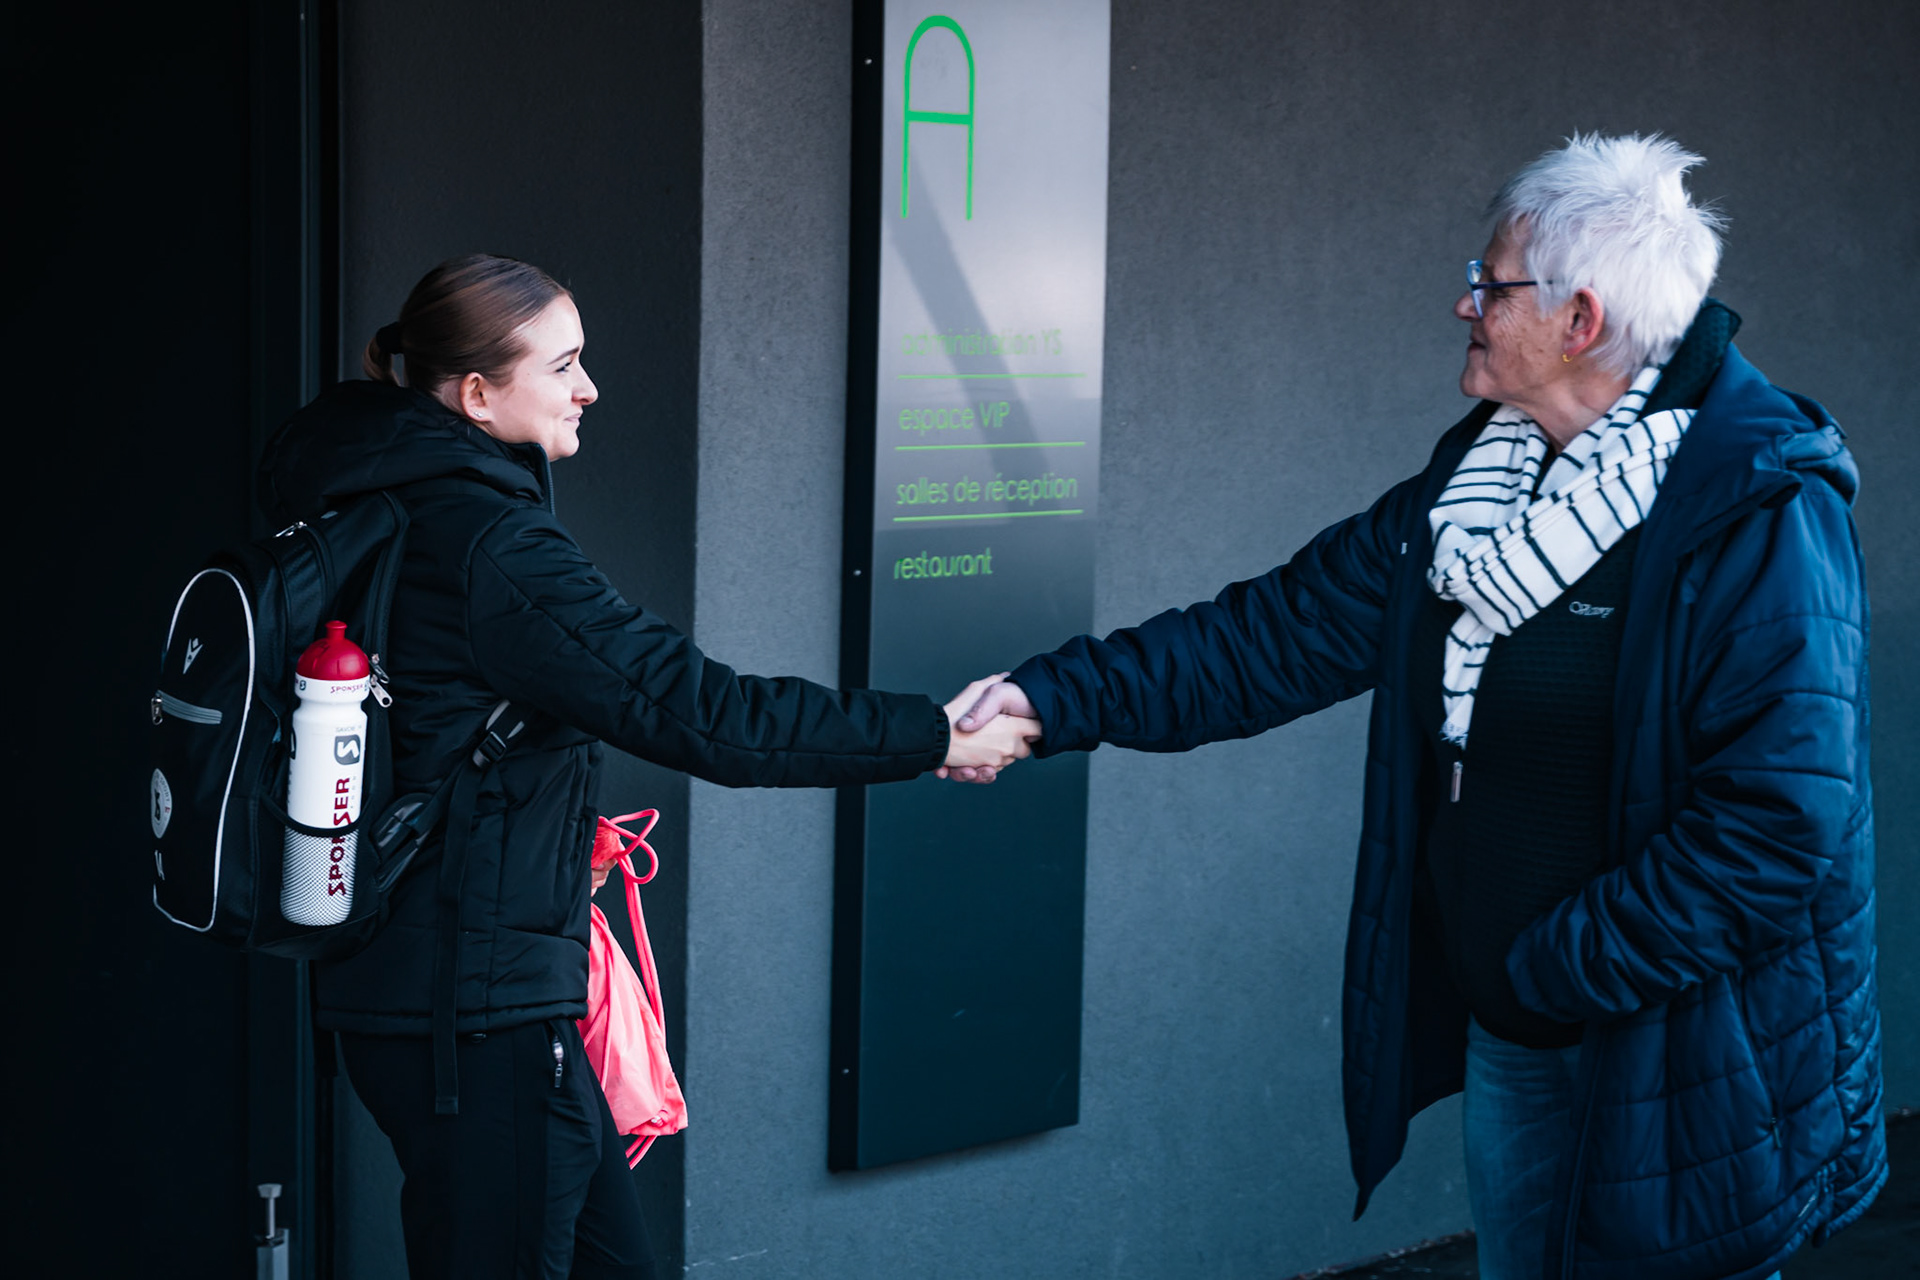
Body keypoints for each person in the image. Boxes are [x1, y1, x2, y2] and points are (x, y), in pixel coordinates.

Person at [945, 135, 1882, 1279]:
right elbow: (1268, 638)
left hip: (1678, 1051)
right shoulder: (1478, 491)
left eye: (1490, 284)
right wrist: (1048, 700)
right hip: (1521, 1032)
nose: (1465, 302)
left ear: (1580, 319)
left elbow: (1779, 825)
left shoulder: (1753, 509)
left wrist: (1557, 970)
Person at [258, 254, 1038, 1280]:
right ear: (479, 393)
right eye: (566, 365)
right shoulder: (494, 545)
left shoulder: (365, 498)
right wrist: (930, 734)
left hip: (428, 992)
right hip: (476, 1019)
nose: (589, 389)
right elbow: (707, 713)